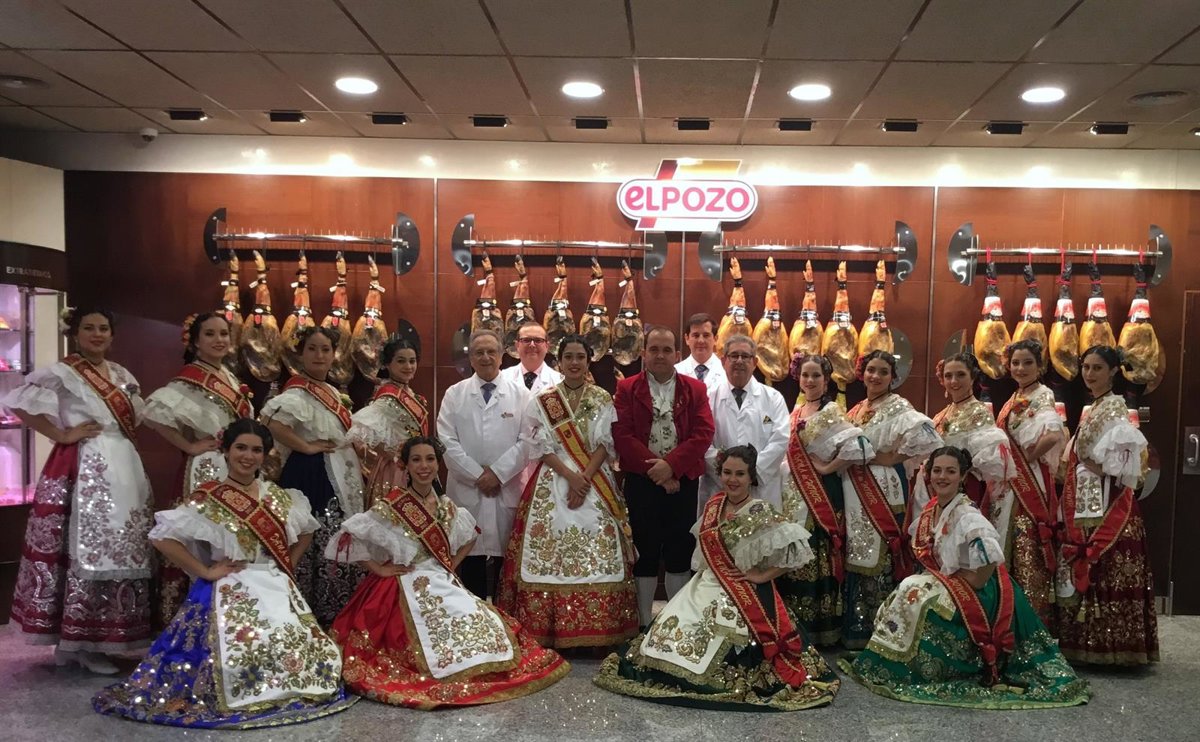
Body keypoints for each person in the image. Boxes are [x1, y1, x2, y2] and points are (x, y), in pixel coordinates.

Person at [92, 419, 357, 728]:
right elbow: (162, 537)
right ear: (226, 451)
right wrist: (205, 570)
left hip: (275, 583)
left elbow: (307, 531)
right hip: (231, 587)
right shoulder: (208, 498)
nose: (248, 456)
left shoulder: (278, 496)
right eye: (241, 448)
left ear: (265, 455)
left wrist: (288, 565)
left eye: (256, 450)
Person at [326, 436, 569, 708]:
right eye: (416, 460)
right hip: (405, 582)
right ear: (406, 466)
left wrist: (452, 563)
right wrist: (379, 569)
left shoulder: (447, 507)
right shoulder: (392, 506)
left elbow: (470, 537)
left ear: (437, 464)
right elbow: (348, 537)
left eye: (430, 459)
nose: (424, 466)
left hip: (442, 578)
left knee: (481, 621)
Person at [841, 446, 1090, 709]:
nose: (942, 477)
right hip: (952, 581)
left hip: (981, 592)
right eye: (937, 470)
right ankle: (895, 660)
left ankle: (926, 668)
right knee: (907, 590)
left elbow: (986, 567)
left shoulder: (967, 514)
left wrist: (950, 585)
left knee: (920, 598)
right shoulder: (934, 508)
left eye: (950, 471)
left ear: (962, 476)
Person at [594, 445, 839, 711]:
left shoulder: (761, 511)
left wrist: (761, 577)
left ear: (751, 477)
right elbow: (703, 556)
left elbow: (797, 553)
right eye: (727, 472)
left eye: (740, 474)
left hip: (741, 590)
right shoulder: (714, 505)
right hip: (707, 582)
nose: (732, 479)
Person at [2, 307, 153, 673]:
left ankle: (106, 637)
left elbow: (136, 418)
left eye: (103, 328)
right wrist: (61, 434)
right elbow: (18, 402)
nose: (97, 334)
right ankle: (78, 642)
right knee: (83, 549)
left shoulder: (121, 374)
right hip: (85, 466)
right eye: (89, 328)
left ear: (112, 334)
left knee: (122, 546)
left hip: (124, 465)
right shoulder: (63, 373)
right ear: (75, 333)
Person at [497, 334, 638, 648]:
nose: (575, 363)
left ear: (588, 362)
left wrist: (583, 478)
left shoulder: (602, 397)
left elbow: (605, 444)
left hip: (594, 479)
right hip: (553, 479)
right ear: (559, 362)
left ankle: (599, 631)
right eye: (569, 357)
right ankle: (547, 629)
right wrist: (570, 477)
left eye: (580, 357)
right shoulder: (544, 399)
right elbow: (539, 447)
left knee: (600, 548)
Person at [144, 312, 253, 625]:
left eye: (224, 333)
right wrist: (188, 445)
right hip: (208, 467)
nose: (219, 340)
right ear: (194, 342)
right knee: (202, 535)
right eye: (210, 334)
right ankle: (195, 613)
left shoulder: (228, 377)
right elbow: (155, 413)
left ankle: (229, 611)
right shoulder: (190, 379)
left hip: (235, 466)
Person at [1055, 345, 1158, 665]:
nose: (1089, 374)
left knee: (1106, 566)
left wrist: (1090, 464)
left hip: (1108, 503)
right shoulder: (1098, 406)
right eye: (1086, 367)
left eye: (1097, 368)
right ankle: (1090, 644)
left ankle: (1111, 647)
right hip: (1089, 498)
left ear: (1113, 371)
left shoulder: (1114, 408)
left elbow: (1123, 467)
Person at [613, 325, 715, 628]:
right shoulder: (627, 388)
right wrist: (657, 471)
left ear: (677, 354)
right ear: (644, 353)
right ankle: (644, 624)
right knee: (644, 550)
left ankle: (675, 624)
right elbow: (622, 434)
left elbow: (703, 433)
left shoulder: (695, 389)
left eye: (666, 350)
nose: (660, 355)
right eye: (654, 349)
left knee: (679, 550)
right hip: (641, 482)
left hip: (682, 482)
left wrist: (671, 466)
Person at [261, 326, 364, 625]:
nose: (319, 355)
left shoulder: (332, 391)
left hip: (339, 469)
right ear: (301, 354)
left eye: (325, 349)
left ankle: (335, 610)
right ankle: (305, 610)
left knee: (337, 532)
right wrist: (305, 446)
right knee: (315, 533)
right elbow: (273, 423)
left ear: (334, 355)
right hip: (311, 472)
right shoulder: (296, 391)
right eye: (312, 349)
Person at [841, 349, 941, 648]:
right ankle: (856, 625)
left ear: (892, 377)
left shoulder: (899, 405)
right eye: (871, 370)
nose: (876, 376)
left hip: (883, 487)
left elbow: (926, 438)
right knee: (855, 548)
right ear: (862, 373)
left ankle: (882, 627)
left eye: (883, 372)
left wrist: (889, 458)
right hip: (854, 488)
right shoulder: (856, 410)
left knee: (881, 550)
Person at [776, 353, 872, 647]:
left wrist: (828, 468)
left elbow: (860, 446)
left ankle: (821, 629)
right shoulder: (796, 411)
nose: (810, 380)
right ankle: (794, 625)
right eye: (805, 375)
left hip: (820, 495)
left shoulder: (832, 412)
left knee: (816, 555)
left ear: (826, 379)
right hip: (792, 493)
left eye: (816, 375)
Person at [437, 329, 530, 600]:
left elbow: (527, 441)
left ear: (501, 356)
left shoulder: (521, 394)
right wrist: (479, 475)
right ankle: (472, 617)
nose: (486, 357)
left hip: (506, 488)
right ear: (471, 358)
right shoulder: (455, 394)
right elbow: (446, 441)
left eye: (491, 351)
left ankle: (503, 618)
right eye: (479, 352)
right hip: (468, 489)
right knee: (469, 559)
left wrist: (498, 474)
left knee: (505, 564)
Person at [989, 340, 1066, 630]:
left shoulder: (1042, 395)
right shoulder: (1015, 397)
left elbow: (1053, 435)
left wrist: (1024, 460)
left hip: (1029, 481)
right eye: (1015, 363)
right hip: (1010, 482)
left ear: (1040, 366)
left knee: (1027, 547)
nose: (1020, 368)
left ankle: (1032, 623)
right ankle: (1008, 618)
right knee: (1008, 544)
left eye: (1027, 363)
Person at [701, 334, 789, 510]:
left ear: (755, 362)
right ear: (723, 361)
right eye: (734, 356)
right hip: (719, 488)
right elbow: (702, 441)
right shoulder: (708, 397)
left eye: (745, 356)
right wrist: (728, 473)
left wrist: (750, 473)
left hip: (761, 488)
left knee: (761, 527)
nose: (739, 361)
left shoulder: (773, 398)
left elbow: (780, 440)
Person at [348, 336, 428, 507]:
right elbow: (361, 431)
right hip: (396, 470)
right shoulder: (388, 395)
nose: (408, 366)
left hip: (415, 464)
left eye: (412, 361)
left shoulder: (409, 393)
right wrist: (393, 454)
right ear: (388, 364)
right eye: (401, 361)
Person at [500, 321, 563, 394]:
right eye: (526, 340)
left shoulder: (559, 381)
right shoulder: (503, 378)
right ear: (517, 345)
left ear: (547, 346)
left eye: (538, 340)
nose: (532, 345)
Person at [675, 312, 726, 390]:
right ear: (687, 339)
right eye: (696, 335)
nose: (701, 341)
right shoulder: (676, 372)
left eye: (706, 335)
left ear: (715, 339)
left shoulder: (726, 371)